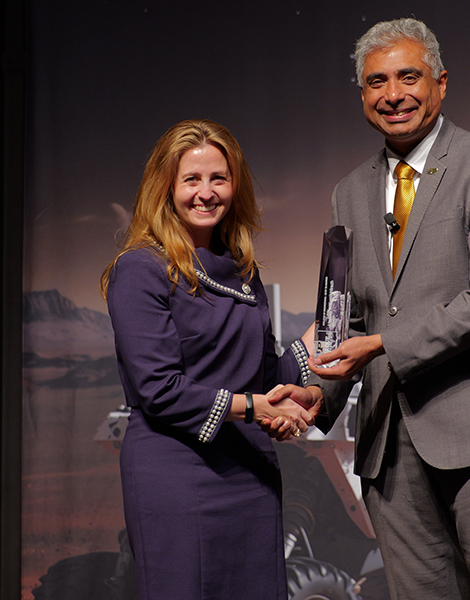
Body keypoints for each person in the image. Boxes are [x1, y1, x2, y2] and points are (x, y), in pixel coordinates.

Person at [274, 18, 470, 600]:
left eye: (409, 77)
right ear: (362, 95)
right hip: (389, 445)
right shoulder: (348, 192)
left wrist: (384, 344)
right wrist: (318, 393)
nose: (393, 94)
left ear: (441, 83)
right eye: (376, 82)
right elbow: (345, 318)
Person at [100, 119, 318, 600]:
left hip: (250, 473)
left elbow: (264, 379)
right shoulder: (140, 269)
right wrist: (255, 408)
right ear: (166, 187)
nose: (206, 192)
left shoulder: (243, 271)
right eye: (191, 179)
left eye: (219, 178)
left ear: (235, 186)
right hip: (175, 474)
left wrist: (314, 342)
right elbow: (159, 389)